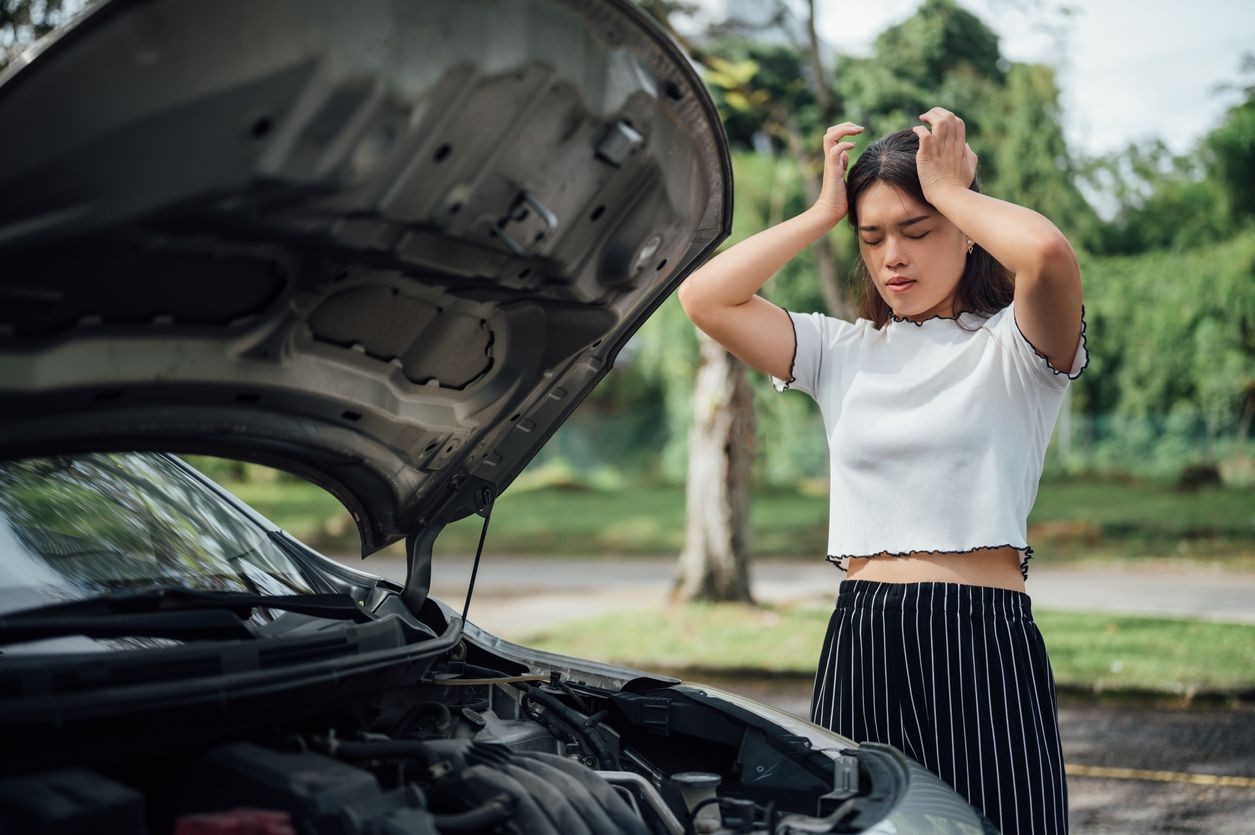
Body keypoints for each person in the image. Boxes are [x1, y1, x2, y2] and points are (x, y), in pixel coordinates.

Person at [676, 107, 1087, 835]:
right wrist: (819, 213)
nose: (892, 255)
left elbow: (1047, 255)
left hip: (977, 636)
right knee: (848, 825)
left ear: (966, 232)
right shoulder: (841, 350)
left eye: (917, 230)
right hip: (862, 631)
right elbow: (703, 297)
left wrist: (954, 192)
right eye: (871, 237)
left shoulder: (1016, 345)